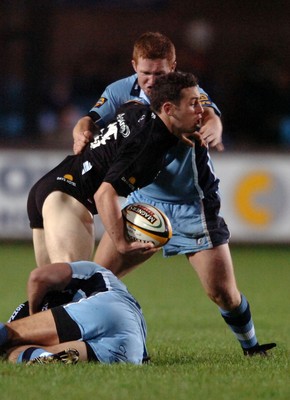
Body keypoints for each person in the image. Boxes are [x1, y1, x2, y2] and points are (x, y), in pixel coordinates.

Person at [73, 32, 276, 356]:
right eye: (146, 73)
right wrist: (81, 128)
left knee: (222, 293)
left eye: (161, 73)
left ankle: (252, 347)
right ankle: (90, 342)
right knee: (98, 279)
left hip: (192, 206)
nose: (153, 80)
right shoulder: (120, 90)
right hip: (144, 201)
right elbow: (90, 117)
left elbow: (210, 113)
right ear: (134, 67)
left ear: (174, 67)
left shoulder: (186, 94)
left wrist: (215, 127)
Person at [27, 71, 204, 267]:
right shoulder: (148, 147)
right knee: (76, 284)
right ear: (169, 108)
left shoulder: (138, 110)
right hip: (70, 197)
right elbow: (104, 194)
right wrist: (121, 243)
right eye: (193, 103)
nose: (200, 110)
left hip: (51, 187)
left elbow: (127, 107)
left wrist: (176, 132)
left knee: (52, 289)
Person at [0, 261, 148, 365]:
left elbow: (38, 277)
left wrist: (33, 315)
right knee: (15, 353)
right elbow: (39, 279)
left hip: (106, 308)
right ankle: (45, 357)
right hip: (131, 350)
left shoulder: (94, 271)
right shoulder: (102, 275)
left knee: (11, 333)